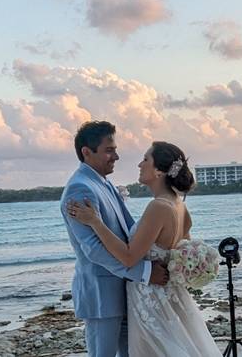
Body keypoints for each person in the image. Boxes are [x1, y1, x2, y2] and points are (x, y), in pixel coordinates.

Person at [68, 141, 222, 357]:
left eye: (146, 159)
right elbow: (180, 249)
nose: (140, 164)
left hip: (151, 300)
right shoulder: (180, 206)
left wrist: (96, 223)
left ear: (159, 170)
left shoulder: (158, 206)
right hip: (167, 297)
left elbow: (129, 257)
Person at [60, 121, 169, 357]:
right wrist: (145, 272)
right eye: (109, 150)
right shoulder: (80, 189)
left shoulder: (103, 183)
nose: (116, 157)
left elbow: (130, 231)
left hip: (127, 292)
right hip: (102, 296)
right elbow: (94, 250)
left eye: (115, 149)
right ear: (86, 153)